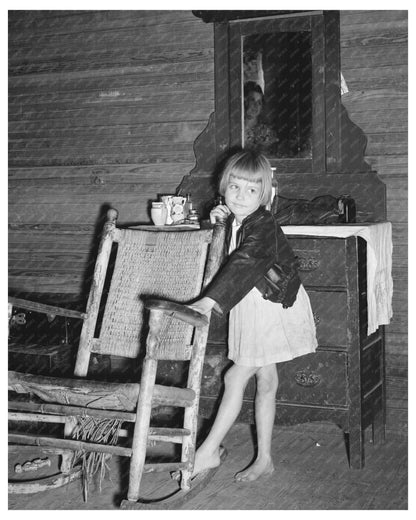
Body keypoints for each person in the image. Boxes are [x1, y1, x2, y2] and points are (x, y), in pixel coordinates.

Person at [188, 150, 317, 482]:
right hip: (252, 305)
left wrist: (209, 300)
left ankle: (208, 452)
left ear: (265, 193)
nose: (241, 197)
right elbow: (221, 253)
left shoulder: (264, 223)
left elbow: (246, 259)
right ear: (223, 187)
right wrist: (215, 222)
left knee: (235, 378)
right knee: (266, 380)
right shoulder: (233, 219)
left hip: (273, 308)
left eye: (251, 190)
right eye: (235, 188)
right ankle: (264, 459)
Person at [244, 81, 279, 156]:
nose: (256, 105)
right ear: (244, 101)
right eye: (252, 100)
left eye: (259, 102)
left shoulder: (266, 132)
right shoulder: (236, 129)